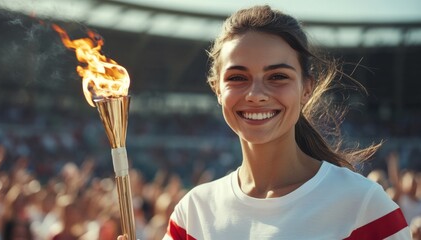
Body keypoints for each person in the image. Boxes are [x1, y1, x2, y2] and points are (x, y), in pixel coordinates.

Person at [120, 5, 411, 240]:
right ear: (217, 90)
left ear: (306, 88)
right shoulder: (193, 213)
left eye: (278, 76)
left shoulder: (365, 208)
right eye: (237, 78)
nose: (256, 95)